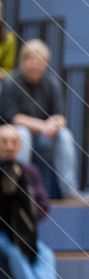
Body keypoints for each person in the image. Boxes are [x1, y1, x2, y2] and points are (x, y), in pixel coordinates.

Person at [0, 40, 82, 201]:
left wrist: (55, 124)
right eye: (31, 60)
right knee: (22, 133)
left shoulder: (51, 84)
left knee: (65, 135)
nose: (35, 65)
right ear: (22, 61)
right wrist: (43, 125)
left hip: (44, 138)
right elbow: (13, 117)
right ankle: (19, 185)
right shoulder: (11, 83)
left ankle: (69, 189)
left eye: (40, 61)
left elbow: (60, 116)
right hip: (15, 136)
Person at [0, 124, 65, 279]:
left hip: (23, 230)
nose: (9, 146)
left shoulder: (30, 171)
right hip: (2, 232)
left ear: (20, 146)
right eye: (4, 142)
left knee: (45, 253)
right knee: (14, 252)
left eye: (14, 142)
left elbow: (43, 203)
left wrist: (23, 218)